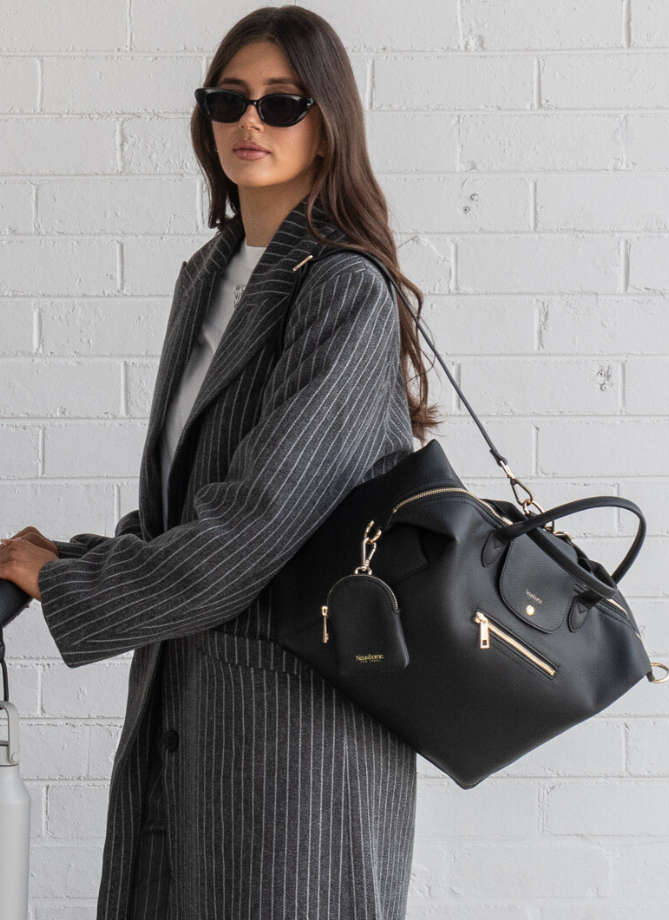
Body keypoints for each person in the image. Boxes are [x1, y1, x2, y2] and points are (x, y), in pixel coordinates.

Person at [0, 6, 441, 919]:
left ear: (328, 124)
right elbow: (192, 511)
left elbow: (253, 528)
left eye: (282, 104)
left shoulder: (344, 288)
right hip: (186, 712)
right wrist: (69, 559)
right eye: (227, 99)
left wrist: (70, 585)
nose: (250, 121)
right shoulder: (208, 276)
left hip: (292, 740)